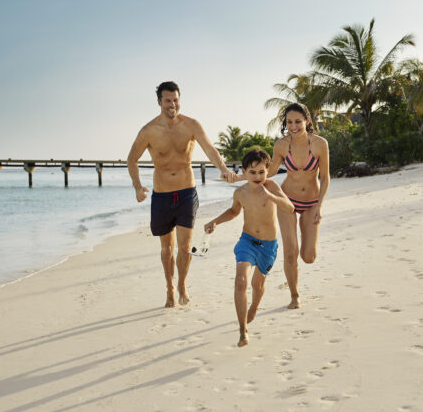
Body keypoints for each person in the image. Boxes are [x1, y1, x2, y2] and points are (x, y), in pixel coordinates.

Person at [127, 81, 237, 308]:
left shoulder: (191, 125)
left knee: (185, 247)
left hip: (187, 192)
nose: (172, 104)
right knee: (167, 248)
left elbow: (209, 149)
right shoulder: (149, 130)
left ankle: (183, 285)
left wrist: (223, 169)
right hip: (162, 196)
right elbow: (132, 159)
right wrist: (137, 186)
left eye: (176, 100)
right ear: (159, 102)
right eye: (168, 100)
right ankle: (169, 287)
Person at [204, 148, 294, 347]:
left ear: (267, 171)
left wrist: (271, 196)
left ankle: (254, 305)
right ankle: (243, 330)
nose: (257, 177)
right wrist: (216, 221)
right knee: (241, 282)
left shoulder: (272, 187)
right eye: (252, 172)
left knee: (257, 285)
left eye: (261, 172)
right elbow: (234, 212)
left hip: (268, 246)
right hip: (247, 241)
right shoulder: (240, 192)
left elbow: (289, 207)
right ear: (243, 172)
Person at [267, 103, 330, 309]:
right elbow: (270, 172)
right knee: (290, 251)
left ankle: (307, 236)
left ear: (307, 121)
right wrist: (242, 176)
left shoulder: (320, 144)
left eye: (298, 122)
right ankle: (294, 295)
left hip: (312, 202)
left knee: (308, 257)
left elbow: (326, 178)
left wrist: (319, 206)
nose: (293, 126)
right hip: (287, 200)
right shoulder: (281, 145)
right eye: (289, 122)